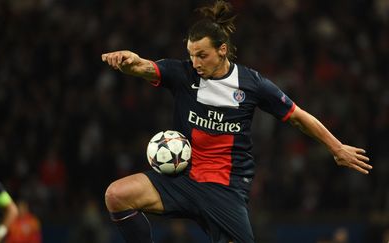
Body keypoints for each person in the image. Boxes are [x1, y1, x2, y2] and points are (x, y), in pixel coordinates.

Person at [101, 1, 372, 242]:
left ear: (222, 50)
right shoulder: (183, 74)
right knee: (116, 195)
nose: (195, 62)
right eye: (191, 54)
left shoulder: (252, 84)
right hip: (181, 179)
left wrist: (336, 148)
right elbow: (142, 66)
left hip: (225, 189)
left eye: (202, 55)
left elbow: (298, 117)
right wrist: (127, 61)